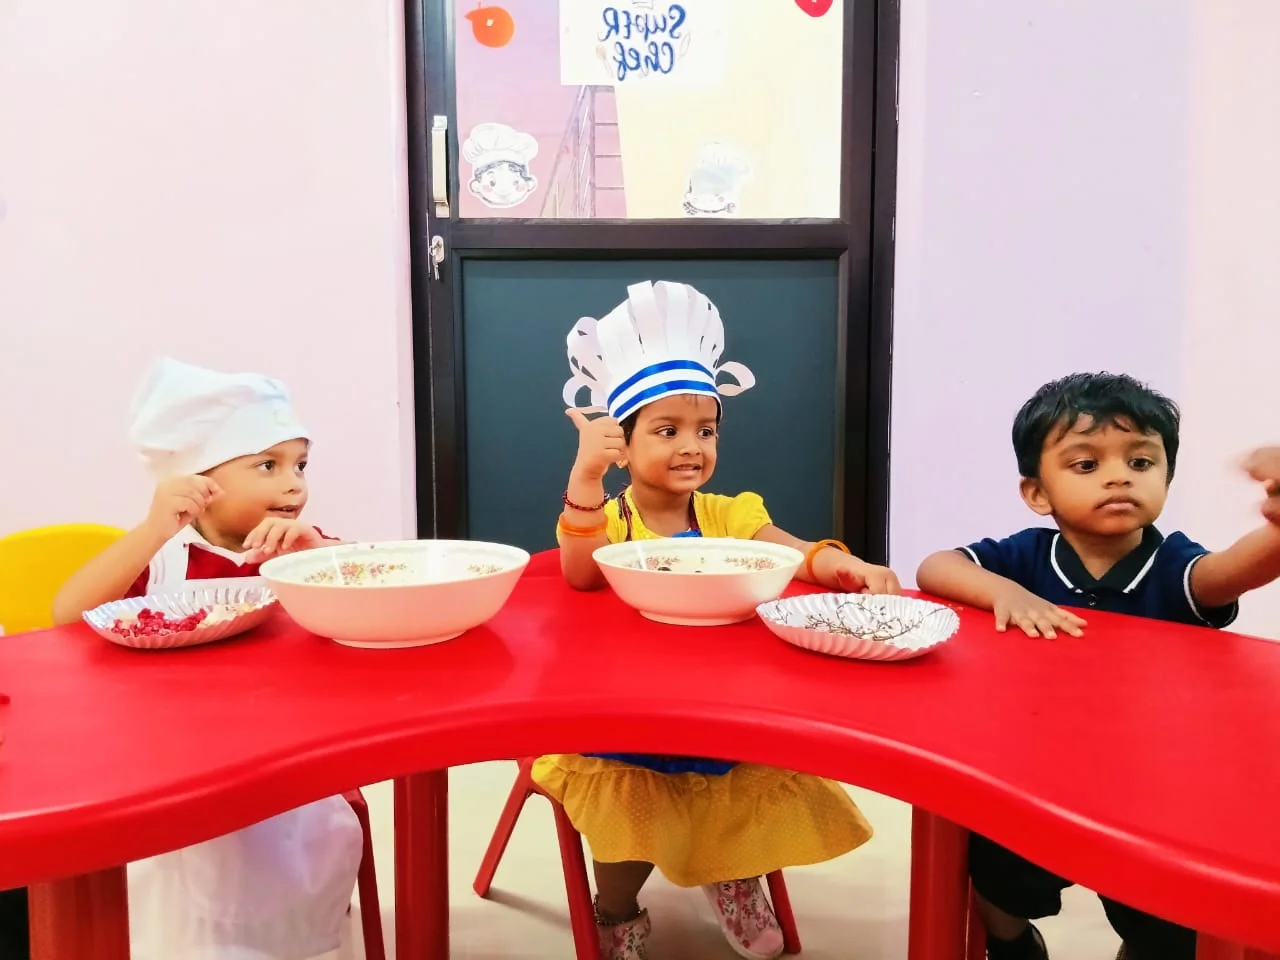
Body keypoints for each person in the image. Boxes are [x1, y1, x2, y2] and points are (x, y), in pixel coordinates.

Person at [534, 280, 901, 960]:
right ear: (623, 444)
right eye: (667, 430)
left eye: (705, 430)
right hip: (628, 709)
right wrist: (584, 480)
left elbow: (789, 551)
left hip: (727, 701)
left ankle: (731, 872)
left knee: (742, 781)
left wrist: (840, 564)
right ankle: (616, 908)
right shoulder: (610, 520)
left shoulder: (731, 513)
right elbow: (580, 574)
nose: (691, 446)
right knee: (629, 801)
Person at [915, 372, 1280, 960]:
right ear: (1038, 493)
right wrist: (1004, 592)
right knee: (994, 879)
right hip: (1032, 777)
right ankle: (1014, 943)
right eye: (1086, 465)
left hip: (1153, 793)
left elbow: (1231, 572)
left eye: (1141, 462)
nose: (1119, 477)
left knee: (1163, 923)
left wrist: (1276, 530)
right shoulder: (1027, 556)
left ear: (1165, 477)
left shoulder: (1172, 564)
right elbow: (936, 566)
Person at [52, 357, 363, 960]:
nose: (295, 485)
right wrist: (153, 527)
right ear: (199, 482)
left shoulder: (298, 549)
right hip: (174, 755)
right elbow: (68, 613)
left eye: (300, 465)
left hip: (287, 756)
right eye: (267, 465)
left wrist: (317, 556)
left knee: (285, 850)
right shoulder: (164, 558)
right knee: (182, 863)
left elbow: (373, 599)